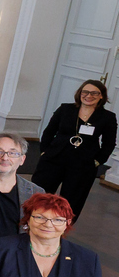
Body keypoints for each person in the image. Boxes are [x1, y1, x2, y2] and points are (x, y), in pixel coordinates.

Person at [31, 79, 116, 219]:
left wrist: (97, 161)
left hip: (83, 164)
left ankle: (61, 229)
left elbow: (109, 143)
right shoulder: (65, 109)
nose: (89, 96)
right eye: (86, 92)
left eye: (95, 93)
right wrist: (44, 152)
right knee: (39, 194)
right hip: (54, 158)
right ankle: (31, 222)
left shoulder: (107, 117)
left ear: (102, 96)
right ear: (80, 93)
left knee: (72, 201)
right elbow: (48, 131)